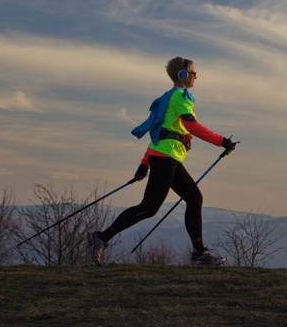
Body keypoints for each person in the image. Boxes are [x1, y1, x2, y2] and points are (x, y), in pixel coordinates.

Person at [88, 56, 236, 266]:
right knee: (149, 207)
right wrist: (222, 141)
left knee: (194, 198)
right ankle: (101, 237)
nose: (196, 77)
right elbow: (191, 126)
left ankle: (199, 252)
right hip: (166, 158)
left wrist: (144, 163)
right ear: (183, 75)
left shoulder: (168, 97)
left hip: (167, 157)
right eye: (193, 73)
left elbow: (158, 133)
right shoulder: (181, 97)